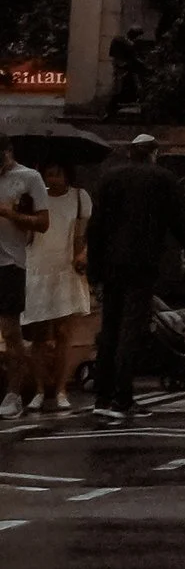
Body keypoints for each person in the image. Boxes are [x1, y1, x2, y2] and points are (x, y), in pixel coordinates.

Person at [84, 132, 185, 426]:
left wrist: (93, 268)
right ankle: (123, 398)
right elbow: (181, 223)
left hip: (110, 266)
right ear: (153, 153)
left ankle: (102, 397)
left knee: (110, 329)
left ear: (130, 153)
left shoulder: (109, 179)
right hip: (141, 265)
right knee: (130, 330)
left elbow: (95, 227)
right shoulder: (163, 179)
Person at [15, 152, 92, 416]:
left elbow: (84, 234)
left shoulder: (80, 197)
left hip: (66, 270)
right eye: (48, 174)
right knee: (38, 337)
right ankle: (38, 390)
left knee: (63, 336)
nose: (53, 179)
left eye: (58, 173)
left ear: (67, 174)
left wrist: (82, 255)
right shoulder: (33, 199)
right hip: (36, 269)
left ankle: (60, 390)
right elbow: (22, 236)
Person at [0, 135, 50, 416]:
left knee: (10, 331)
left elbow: (43, 223)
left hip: (10, 263)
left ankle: (13, 393)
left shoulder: (29, 178)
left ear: (8, 152)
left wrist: (11, 215)